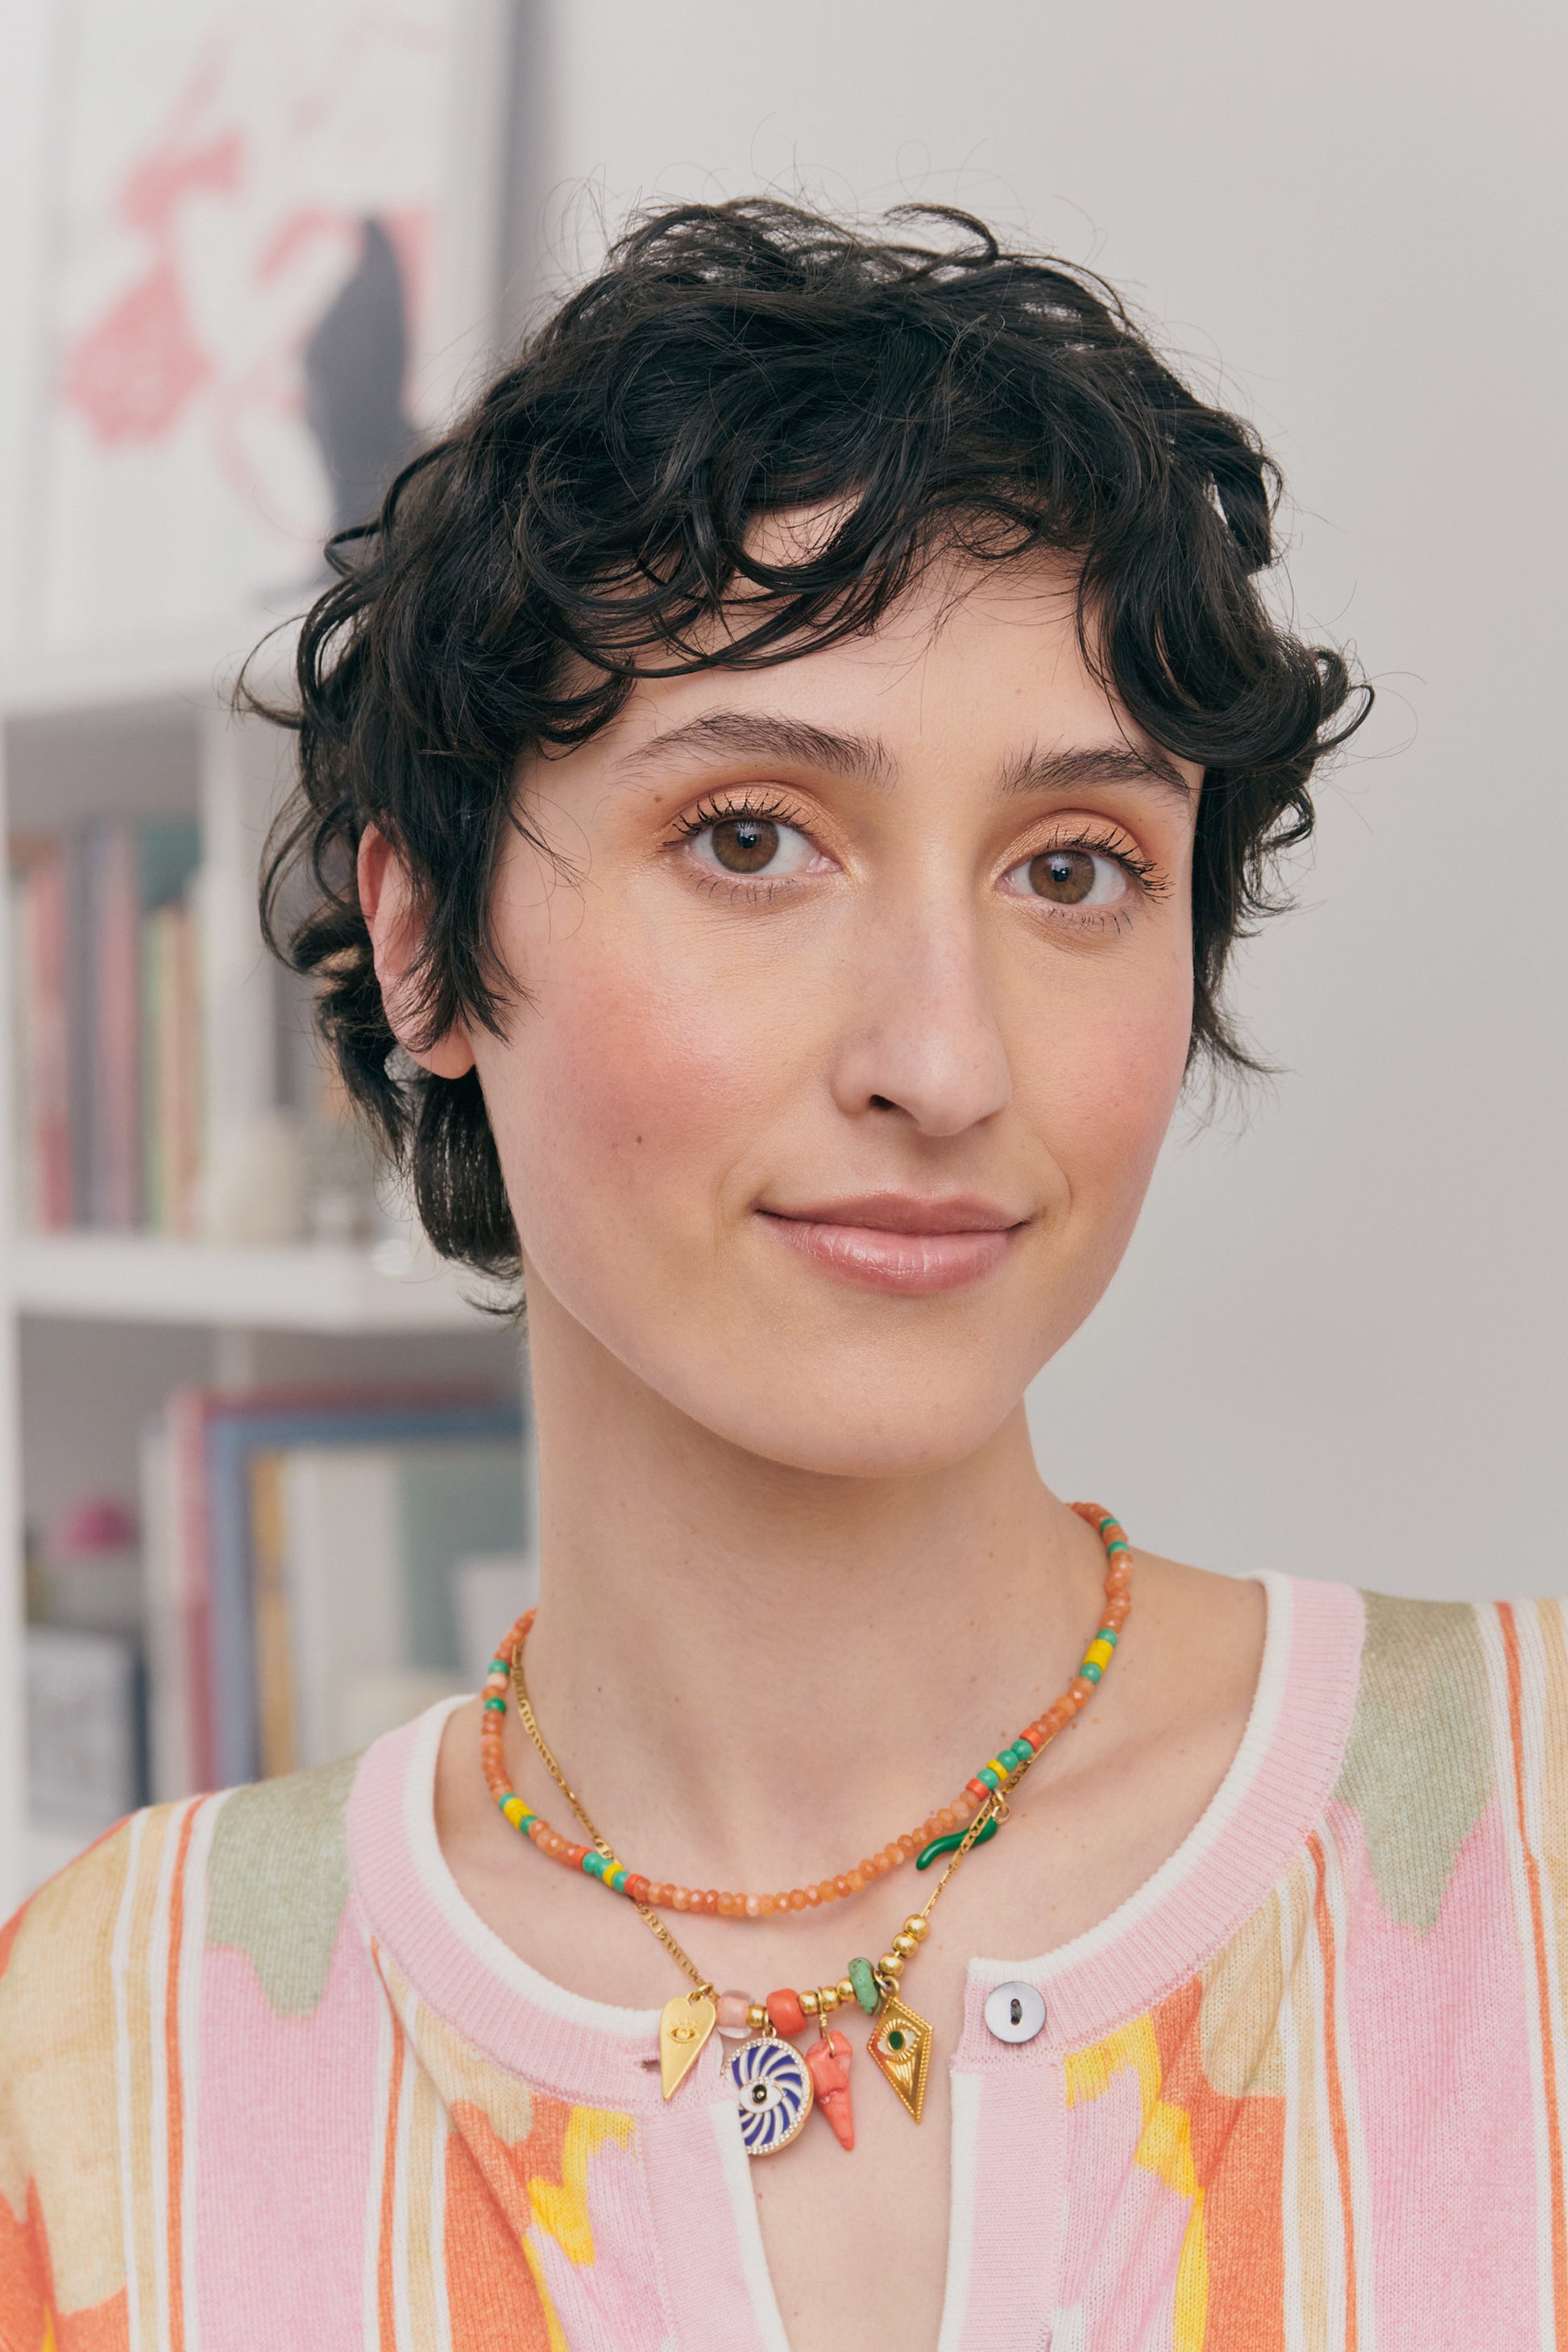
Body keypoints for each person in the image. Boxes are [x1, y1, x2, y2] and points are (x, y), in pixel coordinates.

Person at [1, 199, 1559, 2352]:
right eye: (750, 838)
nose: (944, 1059)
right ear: (423, 940)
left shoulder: (1533, 1838)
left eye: (1074, 868)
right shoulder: (96, 2048)